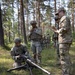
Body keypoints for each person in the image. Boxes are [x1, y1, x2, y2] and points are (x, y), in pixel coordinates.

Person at [53, 7, 72, 75]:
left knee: (64, 58)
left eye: (58, 13)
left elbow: (64, 28)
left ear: (62, 12)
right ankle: (68, 70)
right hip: (65, 40)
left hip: (64, 40)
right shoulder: (63, 18)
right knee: (66, 57)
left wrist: (57, 31)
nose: (58, 15)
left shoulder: (64, 18)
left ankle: (66, 73)